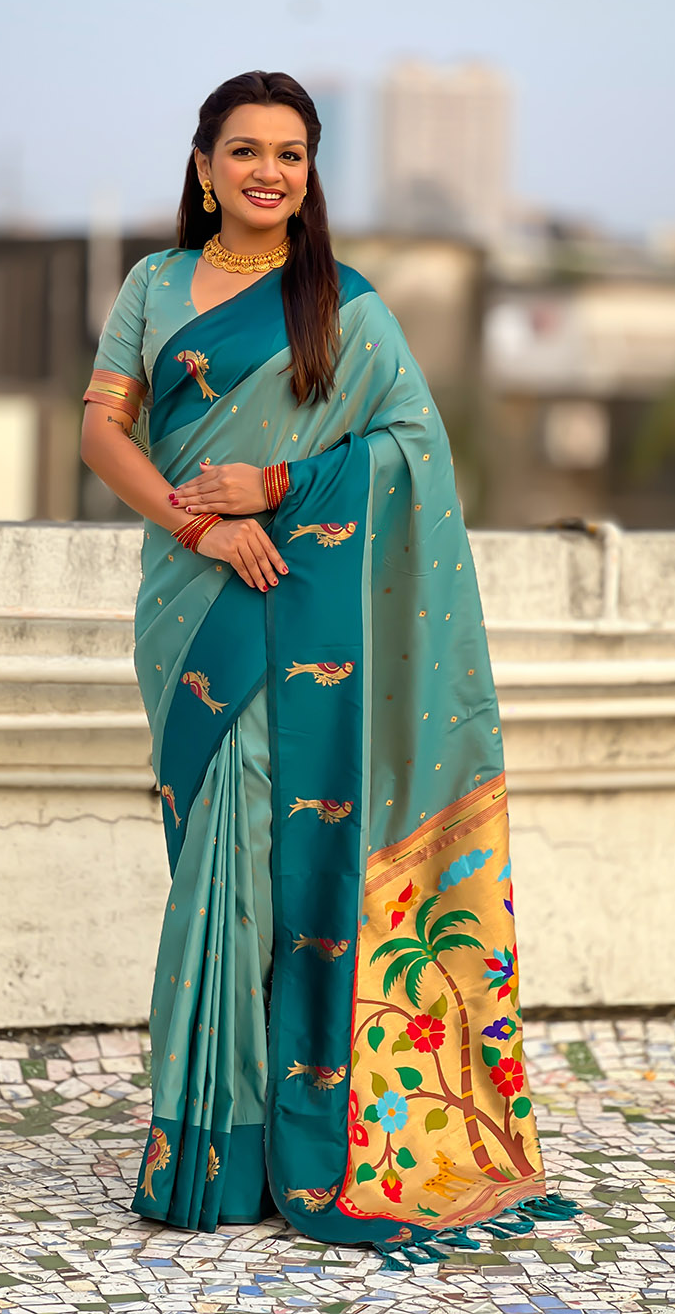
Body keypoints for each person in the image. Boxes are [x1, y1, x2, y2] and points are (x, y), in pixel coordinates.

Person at [79, 70, 582, 1271]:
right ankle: (215, 1136)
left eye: (291, 153)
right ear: (203, 166)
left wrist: (277, 486)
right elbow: (101, 431)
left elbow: (411, 451)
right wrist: (201, 526)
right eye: (245, 149)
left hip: (299, 613)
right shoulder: (152, 287)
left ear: (310, 175)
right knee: (209, 859)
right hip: (190, 605)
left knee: (257, 861)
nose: (268, 171)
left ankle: (259, 1140)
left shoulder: (345, 308)